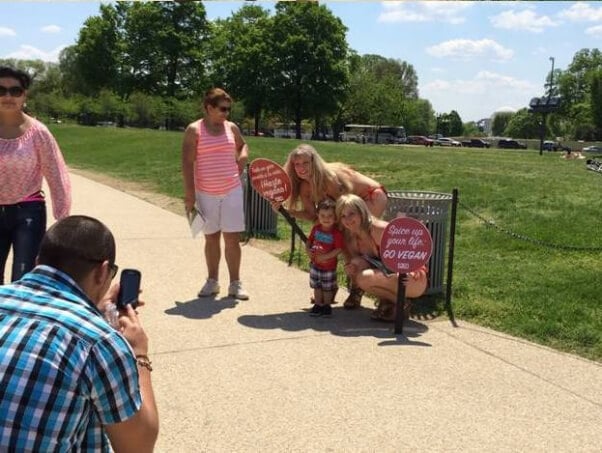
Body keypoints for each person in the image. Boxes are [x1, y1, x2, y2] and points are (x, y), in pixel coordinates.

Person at [0, 215, 159, 452]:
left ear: (37, 262)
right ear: (103, 272)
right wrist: (139, 353)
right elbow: (138, 446)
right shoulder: (100, 342)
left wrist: (92, 309)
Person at [282, 143, 388, 309]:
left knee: (356, 241)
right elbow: (312, 216)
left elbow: (347, 207)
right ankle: (341, 287)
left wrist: (334, 230)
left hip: (370, 197)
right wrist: (289, 211)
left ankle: (369, 288)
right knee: (342, 242)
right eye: (296, 164)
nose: (301, 168)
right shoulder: (305, 186)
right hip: (347, 207)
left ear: (314, 162)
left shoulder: (329, 178)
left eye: (305, 163)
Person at [0, 66, 71, 284]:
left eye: (15, 91)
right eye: (1, 90)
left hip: (28, 212)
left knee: (24, 277)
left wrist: (63, 217)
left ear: (24, 95)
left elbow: (56, 173)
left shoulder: (38, 132)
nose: (8, 96)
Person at [182, 88, 250, 299]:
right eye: (222, 109)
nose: (226, 113)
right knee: (211, 238)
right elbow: (186, 162)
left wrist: (243, 157)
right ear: (208, 108)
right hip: (206, 192)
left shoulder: (231, 128)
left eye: (228, 109)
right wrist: (190, 194)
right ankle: (212, 281)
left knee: (232, 238)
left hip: (231, 190)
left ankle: (235, 283)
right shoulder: (195, 130)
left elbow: (243, 145)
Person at [336, 194, 428, 322]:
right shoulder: (351, 238)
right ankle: (391, 303)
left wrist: (411, 271)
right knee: (357, 265)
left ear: (362, 212)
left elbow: (414, 251)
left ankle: (398, 304)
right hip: (388, 275)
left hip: (411, 277)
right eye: (343, 216)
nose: (347, 219)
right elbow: (359, 263)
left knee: (365, 276)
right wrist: (351, 268)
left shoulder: (379, 230)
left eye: (352, 214)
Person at [306, 198, 344, 317]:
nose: (326, 219)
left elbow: (338, 249)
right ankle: (318, 305)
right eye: (323, 215)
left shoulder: (336, 233)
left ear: (335, 217)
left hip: (328, 266)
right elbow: (309, 241)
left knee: (327, 288)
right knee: (317, 286)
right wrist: (307, 249)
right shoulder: (316, 229)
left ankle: (327, 306)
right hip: (315, 265)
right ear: (318, 215)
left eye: (330, 216)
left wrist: (326, 256)